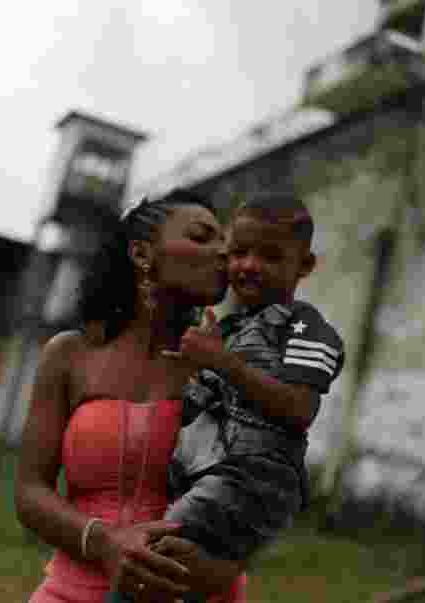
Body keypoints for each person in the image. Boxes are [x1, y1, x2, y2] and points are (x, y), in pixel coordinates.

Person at [15, 189, 249, 603]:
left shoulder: (234, 369)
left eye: (225, 242)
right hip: (70, 591)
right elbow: (30, 492)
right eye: (202, 237)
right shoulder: (71, 355)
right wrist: (106, 543)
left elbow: (257, 501)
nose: (223, 252)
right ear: (142, 254)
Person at [141, 192, 347, 603]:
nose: (249, 265)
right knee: (181, 575)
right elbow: (201, 402)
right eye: (239, 253)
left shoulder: (304, 326)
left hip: (254, 477)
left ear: (304, 265)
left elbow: (299, 409)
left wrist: (221, 362)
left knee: (149, 559)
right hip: (211, 471)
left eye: (270, 256)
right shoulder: (229, 326)